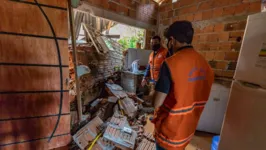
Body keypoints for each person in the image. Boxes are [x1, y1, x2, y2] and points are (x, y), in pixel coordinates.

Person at [151, 21, 214, 150]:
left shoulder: (170, 64)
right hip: (188, 130)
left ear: (172, 40)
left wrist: (151, 93)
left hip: (169, 133)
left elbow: (156, 102)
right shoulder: (206, 65)